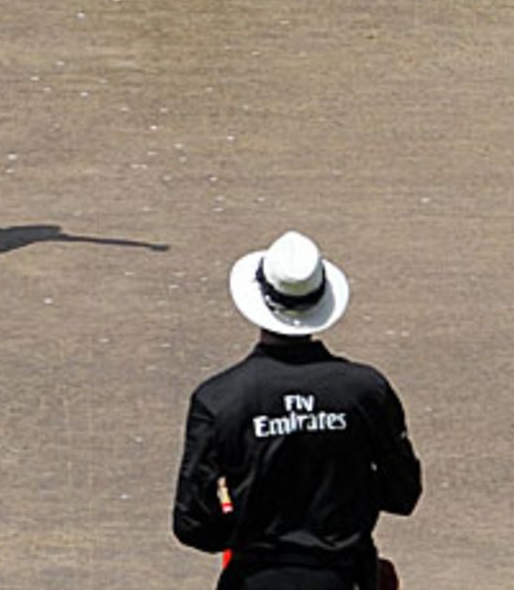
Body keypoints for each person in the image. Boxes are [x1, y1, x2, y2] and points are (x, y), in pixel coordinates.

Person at [173, 230, 422, 589]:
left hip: (255, 578)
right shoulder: (366, 391)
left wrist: (243, 521)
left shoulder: (219, 399)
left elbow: (193, 523)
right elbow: (402, 492)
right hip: (345, 576)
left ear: (258, 298)